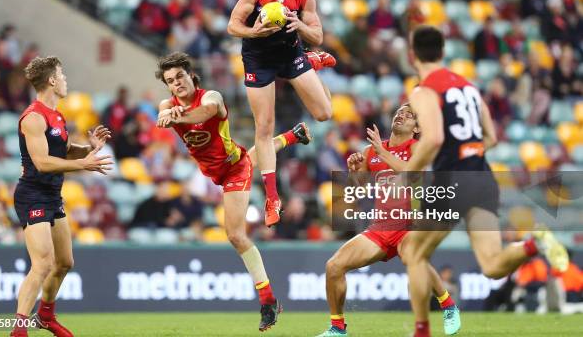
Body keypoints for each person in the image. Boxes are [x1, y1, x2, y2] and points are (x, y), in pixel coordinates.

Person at [400, 26, 569, 337]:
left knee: (414, 253)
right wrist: (468, 153)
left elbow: (434, 138)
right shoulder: (468, 87)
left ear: (413, 56)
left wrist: (409, 171)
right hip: (481, 176)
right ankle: (534, 242)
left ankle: (422, 330)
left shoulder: (424, 91)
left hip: (450, 180)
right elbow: (490, 137)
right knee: (491, 266)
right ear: (442, 51)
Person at [154, 52, 312, 331]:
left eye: (180, 76)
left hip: (232, 169)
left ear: (191, 75)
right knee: (255, 156)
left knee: (235, 235)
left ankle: (268, 300)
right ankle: (292, 135)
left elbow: (207, 111)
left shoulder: (210, 96)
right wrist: (166, 114)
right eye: (170, 80)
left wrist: (178, 117)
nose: (176, 83)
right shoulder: (169, 103)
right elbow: (161, 114)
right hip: (215, 171)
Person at [316, 104, 460, 337]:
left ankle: (448, 306)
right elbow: (360, 187)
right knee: (334, 266)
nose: (401, 115)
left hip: (408, 223)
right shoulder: (371, 150)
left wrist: (383, 153)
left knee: (413, 257)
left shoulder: (417, 147)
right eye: (399, 112)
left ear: (417, 128)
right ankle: (338, 328)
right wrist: (354, 171)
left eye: (409, 115)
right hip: (380, 228)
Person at [227, 0, 335, 227]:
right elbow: (233, 25)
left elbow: (319, 35)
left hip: (290, 54)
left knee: (325, 114)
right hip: (259, 58)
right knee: (264, 128)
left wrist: (299, 24)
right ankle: (272, 199)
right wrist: (254, 32)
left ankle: (313, 63)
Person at [11, 56, 113, 337]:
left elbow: (63, 150)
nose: (66, 79)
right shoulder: (33, 116)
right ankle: (19, 329)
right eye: (62, 74)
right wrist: (84, 165)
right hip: (32, 194)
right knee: (42, 263)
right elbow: (43, 162)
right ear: (52, 81)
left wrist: (87, 148)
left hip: (52, 195)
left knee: (65, 262)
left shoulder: (57, 115)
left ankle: (45, 316)